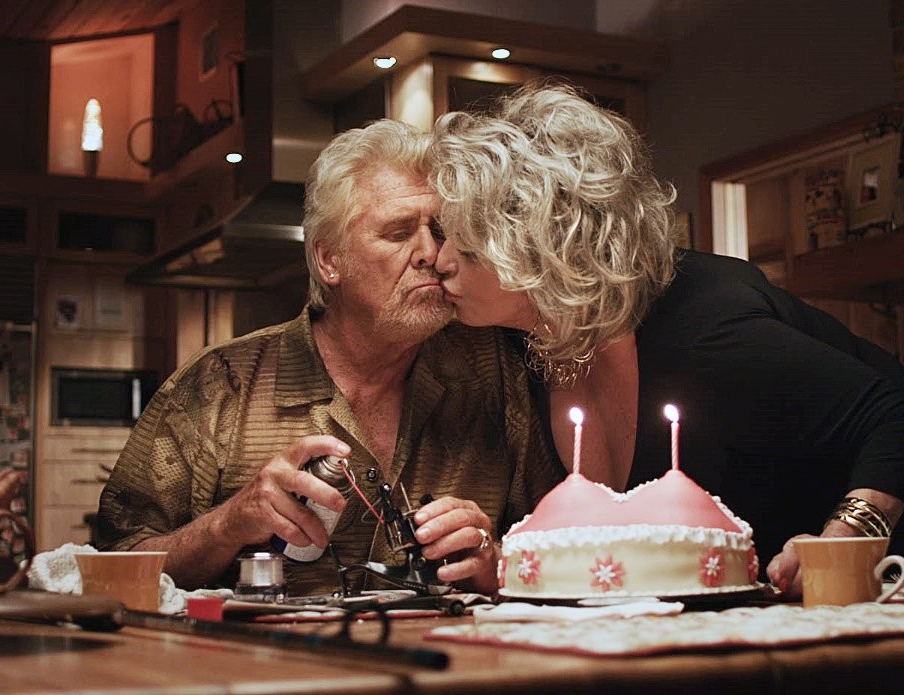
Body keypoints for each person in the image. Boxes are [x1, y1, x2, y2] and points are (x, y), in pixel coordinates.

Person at [428, 83, 904, 597]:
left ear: (548, 255)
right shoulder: (524, 343)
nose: (441, 260)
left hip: (869, 570)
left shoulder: (707, 332)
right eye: (444, 234)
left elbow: (896, 412)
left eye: (469, 250)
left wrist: (846, 537)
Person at [97, 119, 563, 596]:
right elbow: (107, 573)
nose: (431, 253)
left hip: (446, 664)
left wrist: (497, 561)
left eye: (440, 229)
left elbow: (566, 548)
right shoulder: (219, 385)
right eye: (399, 233)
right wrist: (226, 525)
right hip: (262, 668)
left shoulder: (493, 369)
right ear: (329, 261)